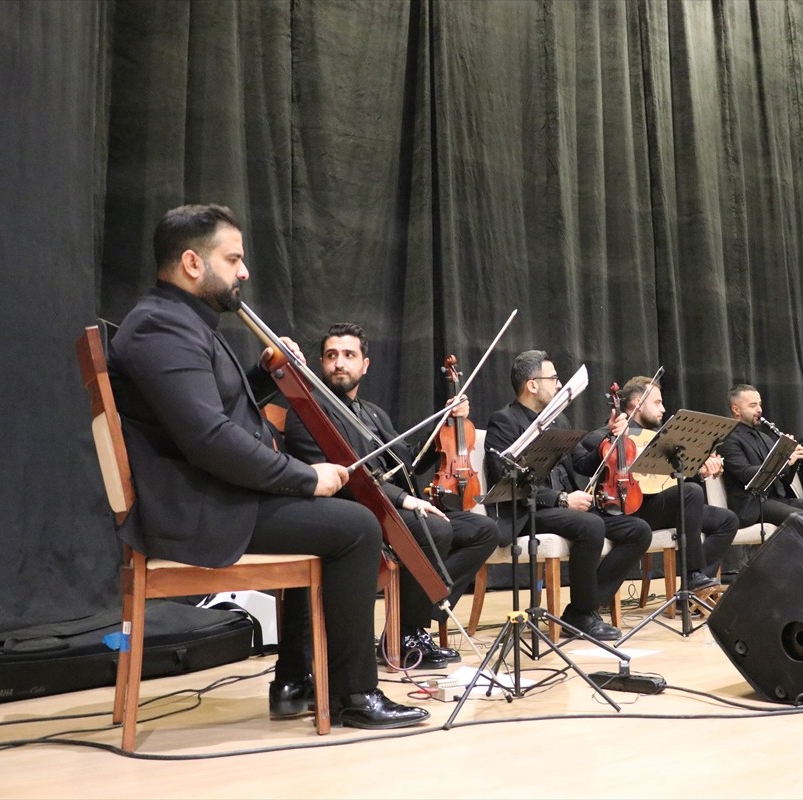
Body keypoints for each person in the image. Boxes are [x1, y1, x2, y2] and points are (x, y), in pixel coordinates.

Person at [107, 204, 427, 729]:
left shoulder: (177, 321)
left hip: (213, 497)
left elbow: (209, 413)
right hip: (200, 510)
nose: (244, 272)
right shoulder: (161, 328)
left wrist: (260, 376)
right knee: (355, 527)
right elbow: (209, 440)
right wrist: (305, 478)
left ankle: (298, 679)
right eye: (233, 259)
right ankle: (353, 693)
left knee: (339, 519)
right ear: (192, 263)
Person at [283, 323, 498, 669]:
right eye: (332, 355)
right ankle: (406, 632)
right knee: (436, 529)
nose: (339, 363)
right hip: (355, 511)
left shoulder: (373, 413)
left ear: (365, 365)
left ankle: (412, 621)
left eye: (349, 355)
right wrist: (403, 499)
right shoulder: (309, 412)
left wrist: (443, 426)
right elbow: (343, 477)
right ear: (321, 362)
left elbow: (409, 460)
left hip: (392, 506)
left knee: (484, 530)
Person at [483, 350, 651, 640]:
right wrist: (562, 499)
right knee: (591, 525)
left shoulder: (558, 421)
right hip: (529, 511)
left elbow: (582, 463)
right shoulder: (504, 421)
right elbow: (507, 480)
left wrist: (610, 439)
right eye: (554, 379)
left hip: (566, 508)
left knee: (638, 531)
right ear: (532, 385)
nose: (559, 385)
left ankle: (582, 607)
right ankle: (583, 614)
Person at [580, 375, 739, 594]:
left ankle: (695, 587)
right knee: (690, 492)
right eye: (657, 402)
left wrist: (700, 471)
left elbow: (674, 480)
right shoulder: (611, 431)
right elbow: (589, 442)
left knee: (727, 520)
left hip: (661, 506)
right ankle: (693, 575)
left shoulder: (661, 438)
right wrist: (617, 436)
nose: (663, 409)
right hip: (631, 508)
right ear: (638, 403)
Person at [718, 384, 803, 528]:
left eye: (760, 404)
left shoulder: (765, 437)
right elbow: (746, 474)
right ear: (736, 409)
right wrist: (783, 461)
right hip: (753, 506)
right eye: (753, 405)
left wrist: (793, 459)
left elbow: (784, 480)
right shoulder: (728, 438)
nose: (759, 409)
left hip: (778, 499)